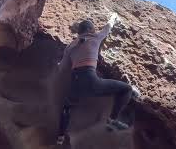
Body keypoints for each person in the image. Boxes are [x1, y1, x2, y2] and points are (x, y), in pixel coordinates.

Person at [56, 13, 139, 145]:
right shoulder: (94, 37)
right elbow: (108, 28)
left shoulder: (70, 46)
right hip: (91, 80)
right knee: (127, 89)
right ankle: (112, 120)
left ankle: (60, 137)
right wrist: (113, 17)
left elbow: (61, 66)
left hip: (76, 83)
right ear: (89, 30)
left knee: (67, 107)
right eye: (93, 28)